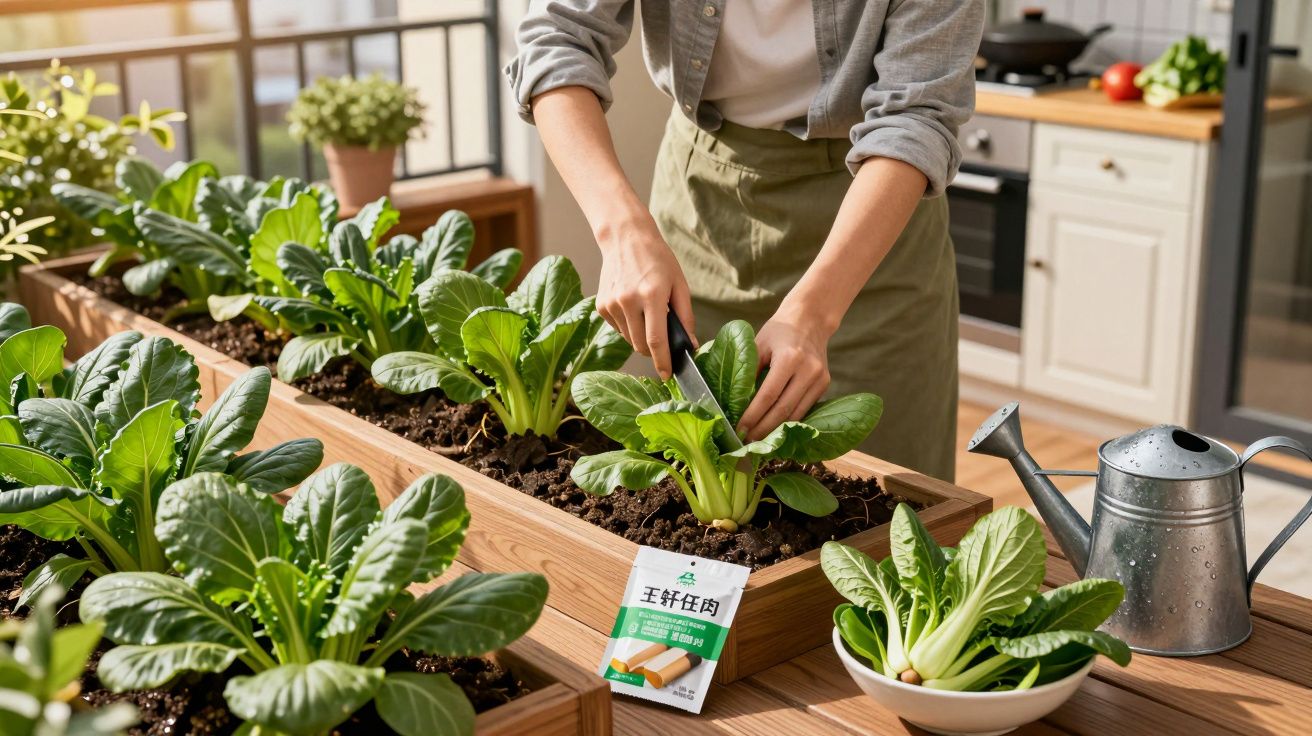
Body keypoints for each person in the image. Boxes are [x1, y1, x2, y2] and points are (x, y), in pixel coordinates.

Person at [506, 0, 984, 481]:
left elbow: (916, 120)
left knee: (882, 506)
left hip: (871, 238)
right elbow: (556, 37)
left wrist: (815, 313)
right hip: (699, 213)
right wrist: (621, 230)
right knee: (684, 486)